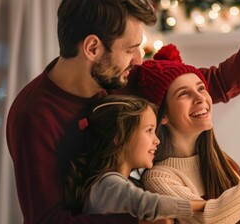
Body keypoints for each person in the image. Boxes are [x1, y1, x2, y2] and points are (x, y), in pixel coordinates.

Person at [5, 0, 240, 223]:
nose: (139, 59)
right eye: (131, 49)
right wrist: (144, 217)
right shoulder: (33, 117)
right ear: (92, 47)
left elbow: (215, 83)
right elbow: (48, 220)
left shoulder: (123, 77)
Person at [134, 44, 240, 223]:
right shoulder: (158, 178)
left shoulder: (221, 161)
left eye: (201, 88)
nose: (200, 98)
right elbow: (209, 218)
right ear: (163, 115)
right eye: (184, 94)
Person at [63, 94, 205, 221]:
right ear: (118, 137)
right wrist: (203, 205)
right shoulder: (108, 184)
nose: (157, 140)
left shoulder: (118, 184)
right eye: (149, 130)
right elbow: (151, 204)